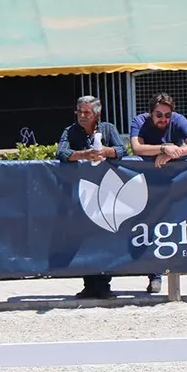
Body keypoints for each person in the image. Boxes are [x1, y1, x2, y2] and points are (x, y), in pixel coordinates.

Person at [128, 93, 187, 294]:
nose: (164, 119)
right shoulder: (139, 121)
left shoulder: (178, 120)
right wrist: (163, 148)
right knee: (149, 229)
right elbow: (136, 148)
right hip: (147, 185)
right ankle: (155, 275)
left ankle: (175, 274)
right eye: (159, 114)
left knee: (173, 228)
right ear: (150, 113)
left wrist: (170, 154)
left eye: (167, 115)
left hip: (174, 184)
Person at [57, 95, 128, 300]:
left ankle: (104, 285)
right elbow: (61, 152)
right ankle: (89, 284)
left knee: (105, 236)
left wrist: (106, 151)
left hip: (106, 191)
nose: (82, 116)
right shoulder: (70, 131)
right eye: (79, 112)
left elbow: (123, 150)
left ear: (97, 113)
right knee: (83, 238)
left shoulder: (108, 129)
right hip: (81, 192)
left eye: (86, 112)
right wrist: (84, 154)